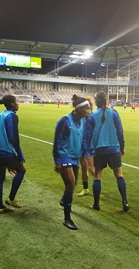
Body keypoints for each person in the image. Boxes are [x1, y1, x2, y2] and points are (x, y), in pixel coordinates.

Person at [85, 91, 129, 212]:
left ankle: (96, 204)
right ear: (106, 100)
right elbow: (120, 131)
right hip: (114, 149)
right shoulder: (114, 113)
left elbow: (88, 135)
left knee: (97, 177)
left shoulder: (92, 115)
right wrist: (122, 147)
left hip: (99, 150)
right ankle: (125, 202)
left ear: (96, 102)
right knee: (119, 175)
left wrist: (89, 150)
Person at [53, 95, 91, 230]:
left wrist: (85, 155)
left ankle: (64, 200)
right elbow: (57, 141)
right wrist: (57, 161)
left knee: (73, 184)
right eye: (87, 108)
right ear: (79, 109)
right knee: (70, 185)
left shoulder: (83, 121)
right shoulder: (65, 121)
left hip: (75, 157)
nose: (89, 111)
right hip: (64, 156)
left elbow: (84, 139)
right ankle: (67, 219)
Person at [0, 95, 26, 214]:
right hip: (4, 151)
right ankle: (11, 198)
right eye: (17, 102)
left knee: (0, 179)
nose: (18, 103)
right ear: (12, 104)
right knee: (21, 170)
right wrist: (20, 155)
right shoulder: (12, 116)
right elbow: (14, 137)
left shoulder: (2, 114)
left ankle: (0, 206)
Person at [78, 96, 95, 197]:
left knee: (91, 168)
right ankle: (85, 188)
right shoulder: (82, 118)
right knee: (84, 167)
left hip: (89, 147)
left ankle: (98, 183)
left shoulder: (91, 116)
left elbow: (89, 134)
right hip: (82, 146)